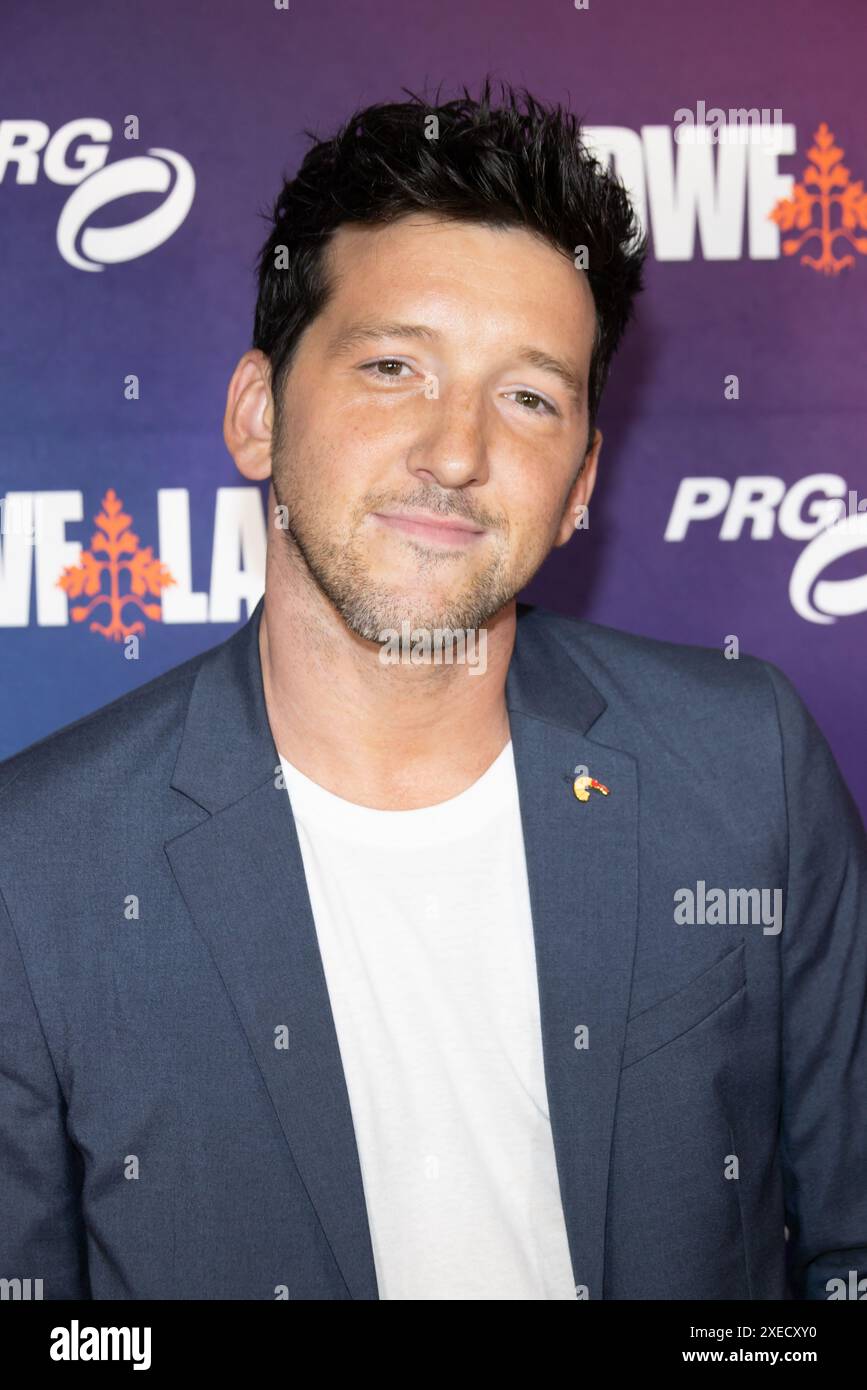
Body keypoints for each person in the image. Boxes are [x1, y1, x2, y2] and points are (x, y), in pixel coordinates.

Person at [1, 79, 865, 1301]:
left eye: (527, 396)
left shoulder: (745, 766)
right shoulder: (37, 869)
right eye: (395, 365)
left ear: (580, 482)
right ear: (258, 413)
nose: (457, 449)